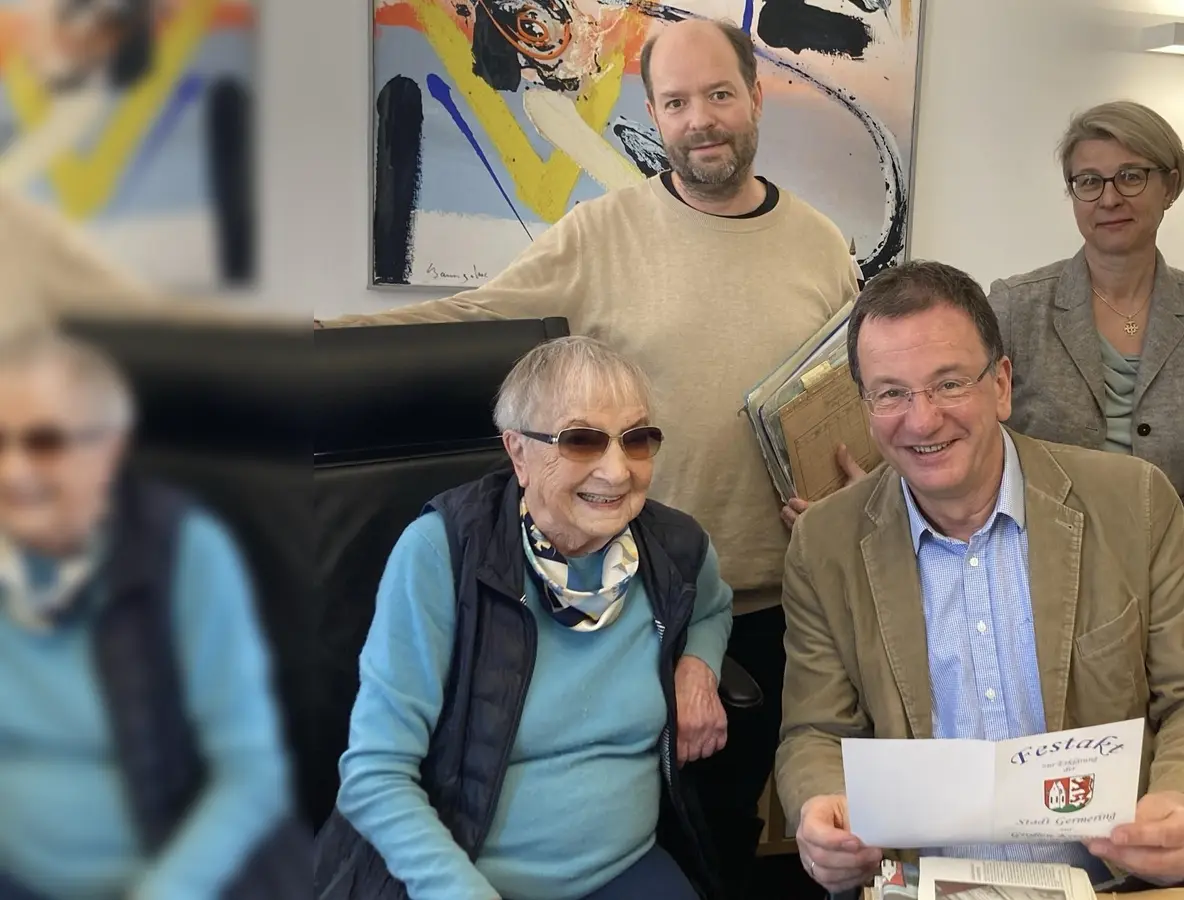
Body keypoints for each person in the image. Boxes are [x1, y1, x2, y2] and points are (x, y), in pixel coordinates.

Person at [320, 20, 860, 893]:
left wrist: (857, 488)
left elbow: (850, 393)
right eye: (675, 102)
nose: (699, 119)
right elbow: (472, 318)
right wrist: (311, 343)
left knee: (723, 836)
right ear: (654, 114)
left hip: (769, 601)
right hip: (634, 592)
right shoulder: (602, 233)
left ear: (757, 98)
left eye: (718, 95)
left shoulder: (823, 245)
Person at [774, 261, 1184, 894]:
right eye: (891, 393)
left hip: (1109, 882)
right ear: (865, 408)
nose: (922, 420)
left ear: (1001, 385)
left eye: (949, 384)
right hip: (920, 886)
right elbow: (815, 733)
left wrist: (1183, 799)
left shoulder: (1134, 504)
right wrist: (820, 806)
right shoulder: (823, 545)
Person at [313, 336, 735, 900]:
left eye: (636, 439)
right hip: (460, 877)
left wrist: (699, 668)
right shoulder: (441, 554)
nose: (616, 471)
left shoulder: (675, 549)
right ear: (517, 452)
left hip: (625, 868)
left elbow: (713, 608)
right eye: (581, 440)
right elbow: (375, 775)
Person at [0, 329, 305, 899]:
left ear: (108, 450)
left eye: (44, 443)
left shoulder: (184, 552)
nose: (13, 472)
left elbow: (251, 775)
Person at [986, 100, 1184, 563]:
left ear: (1170, 185)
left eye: (1131, 176)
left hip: (1164, 576)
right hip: (1034, 565)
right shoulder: (1014, 306)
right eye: (1089, 181)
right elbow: (973, 439)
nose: (1109, 199)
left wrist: (1165, 557)